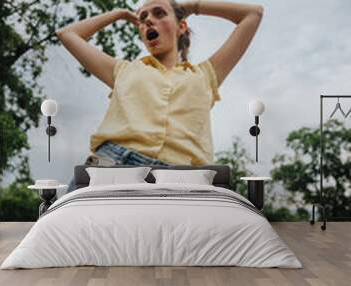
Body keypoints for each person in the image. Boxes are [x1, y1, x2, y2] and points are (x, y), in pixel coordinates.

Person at [56, 0, 264, 192]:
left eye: (159, 13)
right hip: (112, 167)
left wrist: (192, 7)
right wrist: (118, 14)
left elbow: (252, 14)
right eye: (143, 18)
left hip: (184, 180)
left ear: (181, 27)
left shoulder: (205, 75)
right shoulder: (123, 70)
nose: (148, 20)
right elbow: (68, 34)